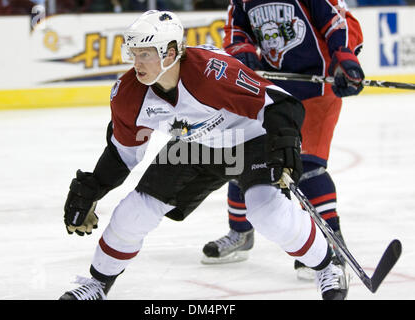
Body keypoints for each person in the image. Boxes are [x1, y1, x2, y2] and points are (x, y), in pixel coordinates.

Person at [59, 10, 348, 300]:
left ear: (171, 53)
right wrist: (94, 187)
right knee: (134, 211)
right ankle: (96, 284)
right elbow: (123, 153)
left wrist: (285, 145)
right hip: (195, 147)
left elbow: (283, 104)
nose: (137, 63)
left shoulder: (212, 72)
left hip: (249, 140)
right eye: (133, 54)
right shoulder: (128, 94)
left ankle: (327, 266)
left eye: (145, 54)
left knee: (266, 212)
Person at [201, 0, 364, 282]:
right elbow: (235, 28)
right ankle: (241, 232)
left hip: (317, 89)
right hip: (274, 89)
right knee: (246, 156)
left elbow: (338, 21)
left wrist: (344, 57)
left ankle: (328, 241)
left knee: (308, 167)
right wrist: (242, 50)